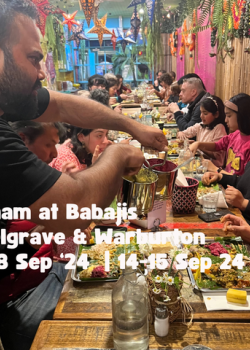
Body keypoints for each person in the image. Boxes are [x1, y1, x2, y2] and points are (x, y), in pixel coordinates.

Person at [0, 1, 167, 349]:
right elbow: (72, 209)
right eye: (33, 59)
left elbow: (62, 103)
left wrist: (129, 125)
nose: (42, 72)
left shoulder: (11, 99)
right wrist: (119, 153)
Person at [189, 93, 250, 175]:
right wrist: (198, 144)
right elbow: (217, 145)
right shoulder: (234, 135)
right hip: (224, 180)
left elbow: (243, 182)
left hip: (233, 185)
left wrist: (215, 169)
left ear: (241, 116)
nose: (225, 120)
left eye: (229, 116)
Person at [177, 96, 227, 167]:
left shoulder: (219, 128)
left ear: (216, 114)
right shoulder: (201, 126)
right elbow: (185, 132)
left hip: (212, 167)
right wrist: (181, 134)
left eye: (205, 113)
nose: (201, 116)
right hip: (200, 164)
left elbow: (217, 156)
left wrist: (199, 146)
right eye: (201, 112)